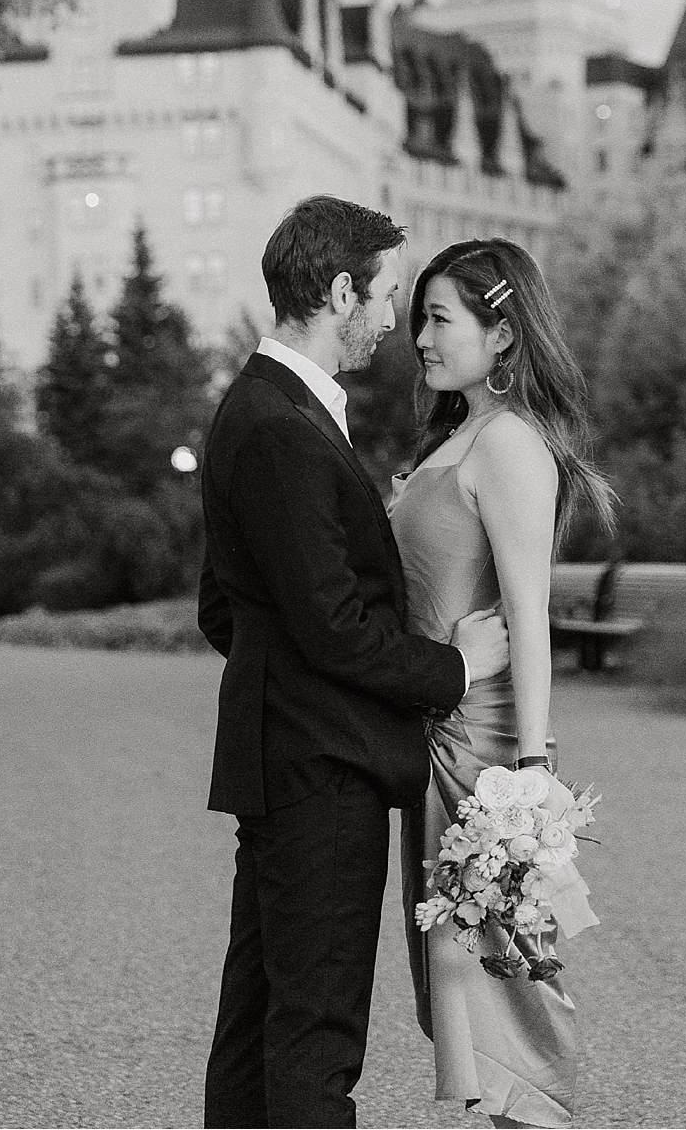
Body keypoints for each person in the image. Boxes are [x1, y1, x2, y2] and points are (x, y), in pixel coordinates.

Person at [201, 195, 514, 1128]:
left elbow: (231, 610)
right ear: (340, 291)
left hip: (289, 759)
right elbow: (330, 623)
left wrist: (288, 684)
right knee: (315, 1037)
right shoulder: (281, 427)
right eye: (383, 299)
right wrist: (452, 669)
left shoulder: (270, 411)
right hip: (318, 771)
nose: (396, 324)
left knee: (260, 1024)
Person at [391, 237, 617, 1127]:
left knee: (509, 977)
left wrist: (531, 771)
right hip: (436, 740)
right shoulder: (461, 436)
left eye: (441, 318)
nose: (421, 337)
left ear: (503, 334)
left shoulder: (513, 444)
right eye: (420, 318)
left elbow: (529, 615)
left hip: (483, 759)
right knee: (464, 975)